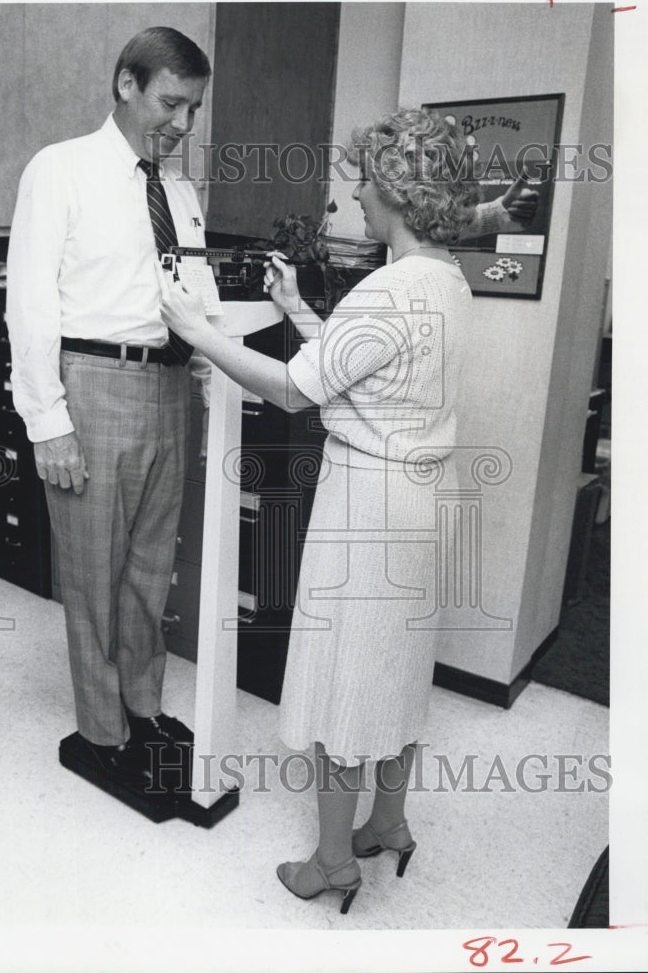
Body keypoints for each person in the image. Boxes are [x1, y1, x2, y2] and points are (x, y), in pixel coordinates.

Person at [157, 107, 499, 913]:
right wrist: (301, 305)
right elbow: (359, 369)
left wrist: (193, 331)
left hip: (367, 508)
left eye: (363, 183)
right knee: (395, 674)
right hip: (417, 504)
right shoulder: (443, 278)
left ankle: (331, 861)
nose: (354, 197)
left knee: (349, 682)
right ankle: (388, 822)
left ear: (395, 192)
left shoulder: (386, 288)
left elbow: (291, 389)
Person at [6, 26, 212, 787]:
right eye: (171, 103)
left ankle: (143, 703)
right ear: (126, 84)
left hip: (170, 387)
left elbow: (196, 301)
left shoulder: (179, 192)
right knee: (93, 572)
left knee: (152, 568)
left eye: (193, 109)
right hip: (92, 383)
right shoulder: (60, 169)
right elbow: (28, 303)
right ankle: (100, 729)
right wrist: (48, 421)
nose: (182, 125)